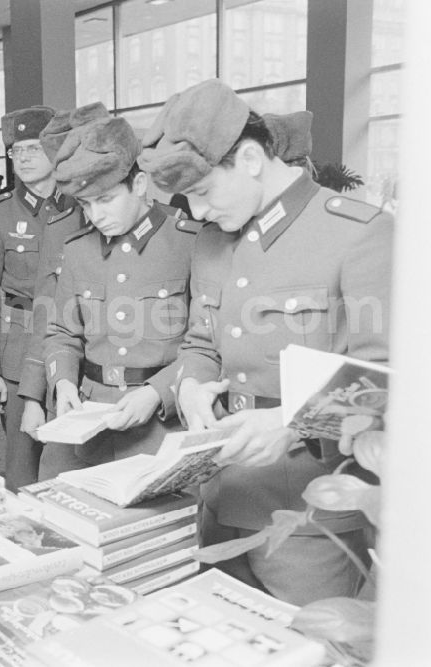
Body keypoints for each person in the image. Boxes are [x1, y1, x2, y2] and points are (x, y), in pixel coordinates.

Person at [139, 79, 393, 605]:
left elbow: (385, 375)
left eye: (205, 193)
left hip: (305, 518)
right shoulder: (212, 241)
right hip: (217, 499)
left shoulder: (358, 233)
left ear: (251, 158)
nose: (200, 212)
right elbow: (200, 343)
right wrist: (191, 387)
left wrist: (288, 423)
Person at [39, 113, 198, 478]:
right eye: (85, 205)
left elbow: (209, 345)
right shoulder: (78, 249)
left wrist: (159, 393)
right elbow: (62, 333)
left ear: (139, 184)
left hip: (161, 428)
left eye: (106, 200)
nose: (96, 216)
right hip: (90, 424)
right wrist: (62, 380)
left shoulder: (189, 242)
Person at [0, 105, 84, 490]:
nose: (24, 157)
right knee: (22, 470)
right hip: (17, 357)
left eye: (34, 148)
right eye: (17, 150)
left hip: (74, 349)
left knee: (75, 466)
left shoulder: (84, 207)